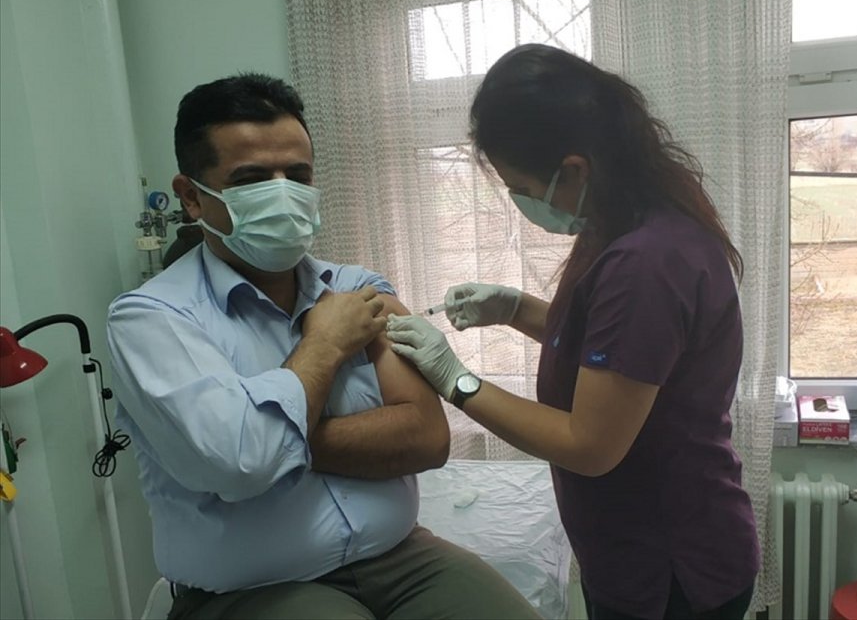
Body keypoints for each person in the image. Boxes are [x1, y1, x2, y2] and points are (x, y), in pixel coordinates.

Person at [107, 73, 540, 620]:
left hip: (399, 556)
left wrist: (264, 436)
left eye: (298, 175)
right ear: (192, 196)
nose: (283, 193)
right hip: (253, 587)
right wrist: (325, 344)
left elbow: (426, 439)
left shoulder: (359, 288)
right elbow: (239, 467)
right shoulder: (151, 318)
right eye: (252, 179)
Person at [387, 44, 759, 620]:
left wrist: (455, 380)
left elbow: (590, 445)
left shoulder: (645, 263)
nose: (521, 202)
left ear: (575, 169)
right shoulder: (631, 218)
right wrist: (514, 309)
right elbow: (620, 351)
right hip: (640, 548)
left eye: (521, 187)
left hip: (671, 569)